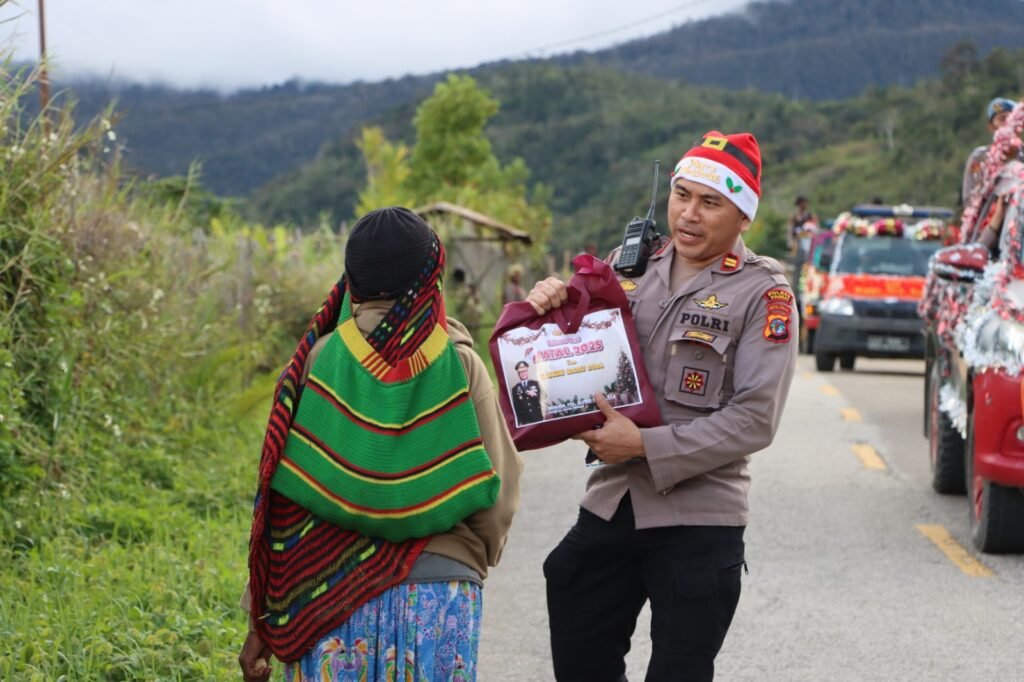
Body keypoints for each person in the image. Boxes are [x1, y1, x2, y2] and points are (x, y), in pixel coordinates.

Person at [527, 131, 798, 681]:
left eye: (710, 202)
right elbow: (565, 358)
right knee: (576, 622)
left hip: (698, 519)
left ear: (744, 215)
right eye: (681, 195)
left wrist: (645, 445)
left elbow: (755, 418)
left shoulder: (764, 294)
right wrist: (544, 310)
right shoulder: (626, 269)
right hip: (612, 502)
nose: (689, 215)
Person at [238, 207, 523, 682]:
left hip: (326, 599)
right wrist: (465, 556)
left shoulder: (314, 363)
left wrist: (260, 615)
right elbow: (498, 495)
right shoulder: (459, 363)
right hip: (439, 596)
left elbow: (280, 505)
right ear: (430, 275)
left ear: (352, 278)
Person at [961, 97, 1016, 206]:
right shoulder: (980, 156)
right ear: (991, 127)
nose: (1007, 124)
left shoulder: (1021, 155)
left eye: (1012, 119)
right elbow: (969, 198)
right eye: (1002, 119)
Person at [510, 359, 544, 425]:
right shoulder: (515, 388)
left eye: (525, 371)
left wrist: (533, 395)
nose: (523, 374)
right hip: (525, 420)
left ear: (527, 371)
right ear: (518, 373)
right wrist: (519, 421)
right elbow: (516, 407)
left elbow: (541, 399)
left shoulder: (535, 383)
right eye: (521, 372)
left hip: (537, 416)